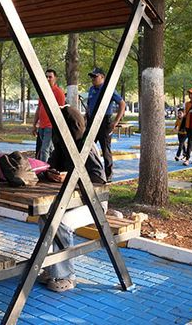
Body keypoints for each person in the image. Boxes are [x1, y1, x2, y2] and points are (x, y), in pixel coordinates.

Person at [39, 105, 106, 292]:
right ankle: (51, 268)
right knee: (44, 218)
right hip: (70, 201)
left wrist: (70, 176)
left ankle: (66, 275)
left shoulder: (86, 147)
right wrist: (50, 174)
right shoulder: (62, 145)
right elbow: (49, 167)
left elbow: (99, 180)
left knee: (60, 222)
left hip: (94, 203)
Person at [86, 67, 126, 182]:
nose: (93, 79)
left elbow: (122, 104)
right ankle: (90, 172)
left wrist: (116, 121)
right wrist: (86, 117)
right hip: (91, 120)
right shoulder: (91, 89)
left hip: (104, 121)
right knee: (87, 147)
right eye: (92, 77)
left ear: (102, 77)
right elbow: (89, 104)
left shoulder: (108, 89)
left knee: (105, 149)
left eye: (95, 76)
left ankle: (108, 175)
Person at [32, 69, 66, 162]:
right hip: (41, 126)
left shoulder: (59, 92)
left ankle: (44, 171)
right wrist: (34, 124)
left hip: (51, 126)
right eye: (46, 76)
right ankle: (51, 167)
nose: (47, 79)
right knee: (49, 149)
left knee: (44, 150)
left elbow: (62, 111)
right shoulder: (43, 91)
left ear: (55, 78)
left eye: (50, 77)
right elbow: (39, 108)